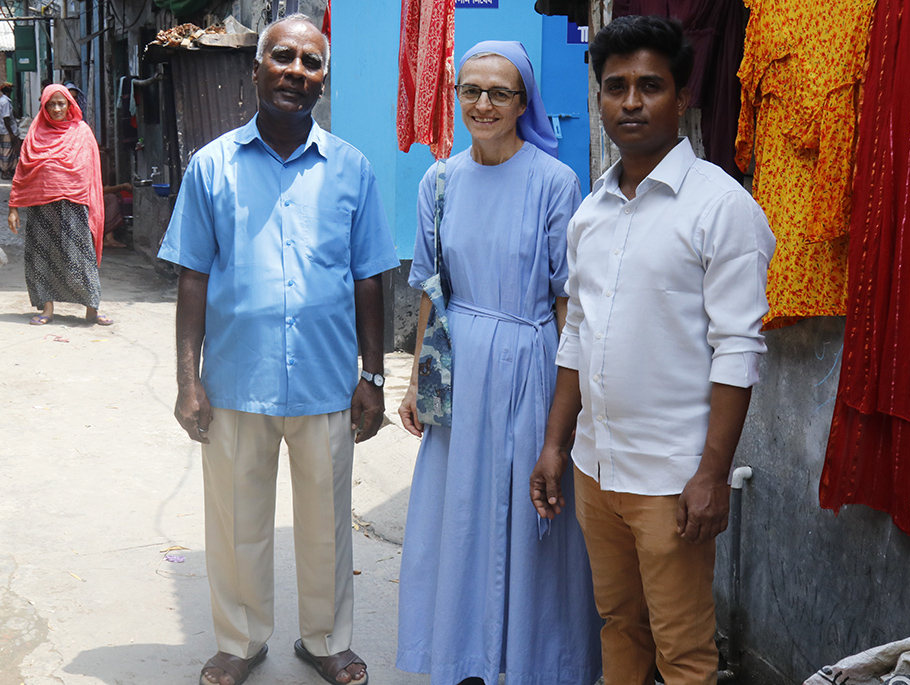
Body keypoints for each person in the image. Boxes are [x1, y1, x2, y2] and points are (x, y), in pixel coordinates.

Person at [530, 15, 775, 685]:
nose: (630, 102)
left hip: (672, 480)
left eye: (649, 86)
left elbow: (738, 349)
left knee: (686, 654)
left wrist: (711, 474)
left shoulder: (721, 209)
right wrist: (556, 444)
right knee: (618, 625)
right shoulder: (592, 213)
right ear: (600, 98)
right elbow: (576, 334)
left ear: (681, 96)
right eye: (616, 87)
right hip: (595, 468)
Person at [157, 15, 398, 685]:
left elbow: (370, 274)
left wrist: (372, 375)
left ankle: (325, 639)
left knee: (327, 526)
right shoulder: (212, 167)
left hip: (327, 381)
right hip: (236, 379)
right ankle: (239, 639)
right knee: (237, 524)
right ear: (255, 69)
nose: (296, 70)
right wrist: (188, 380)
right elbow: (193, 276)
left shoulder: (352, 169)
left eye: (311, 62)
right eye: (283, 57)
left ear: (324, 79)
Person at [396, 41, 603, 685]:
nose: (483, 104)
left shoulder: (555, 182)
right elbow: (434, 289)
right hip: (460, 372)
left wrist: (574, 405)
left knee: (529, 513)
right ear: (456, 95)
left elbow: (567, 300)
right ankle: (466, 657)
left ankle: (534, 661)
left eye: (499, 93)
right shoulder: (439, 181)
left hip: (529, 362)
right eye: (470, 91)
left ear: (523, 103)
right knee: (458, 515)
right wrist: (414, 381)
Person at [7, 84, 110, 326]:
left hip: (74, 204)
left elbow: (91, 171)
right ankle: (47, 309)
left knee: (81, 256)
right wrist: (13, 206)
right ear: (43, 106)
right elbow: (22, 172)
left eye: (61, 103)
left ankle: (92, 308)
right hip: (41, 207)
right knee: (41, 256)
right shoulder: (35, 133)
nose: (56, 109)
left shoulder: (82, 132)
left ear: (70, 105)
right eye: (51, 104)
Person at [0, 81, 20, 179]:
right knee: (7, 151)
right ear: (9, 90)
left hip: (5, 130)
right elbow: (6, 118)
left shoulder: (5, 101)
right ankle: (5, 171)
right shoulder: (5, 102)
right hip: (7, 131)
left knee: (9, 151)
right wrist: (11, 133)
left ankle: (10, 170)